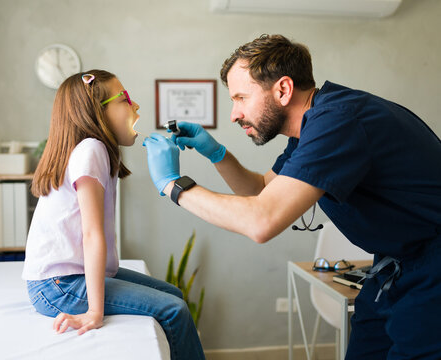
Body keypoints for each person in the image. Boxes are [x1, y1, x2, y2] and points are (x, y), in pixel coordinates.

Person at [143, 34, 441, 359]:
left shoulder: (338, 122)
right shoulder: (311, 128)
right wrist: (216, 154)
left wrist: (173, 185)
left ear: (283, 90)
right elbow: (260, 190)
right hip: (394, 264)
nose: (234, 113)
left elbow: (262, 221)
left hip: (432, 264)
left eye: (241, 97)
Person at [22, 70, 205, 360]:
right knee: (175, 310)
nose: (136, 106)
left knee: (175, 295)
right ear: (98, 110)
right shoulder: (91, 149)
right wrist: (94, 311)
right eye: (126, 99)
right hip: (59, 286)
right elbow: (91, 234)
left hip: (67, 278)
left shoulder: (91, 150)